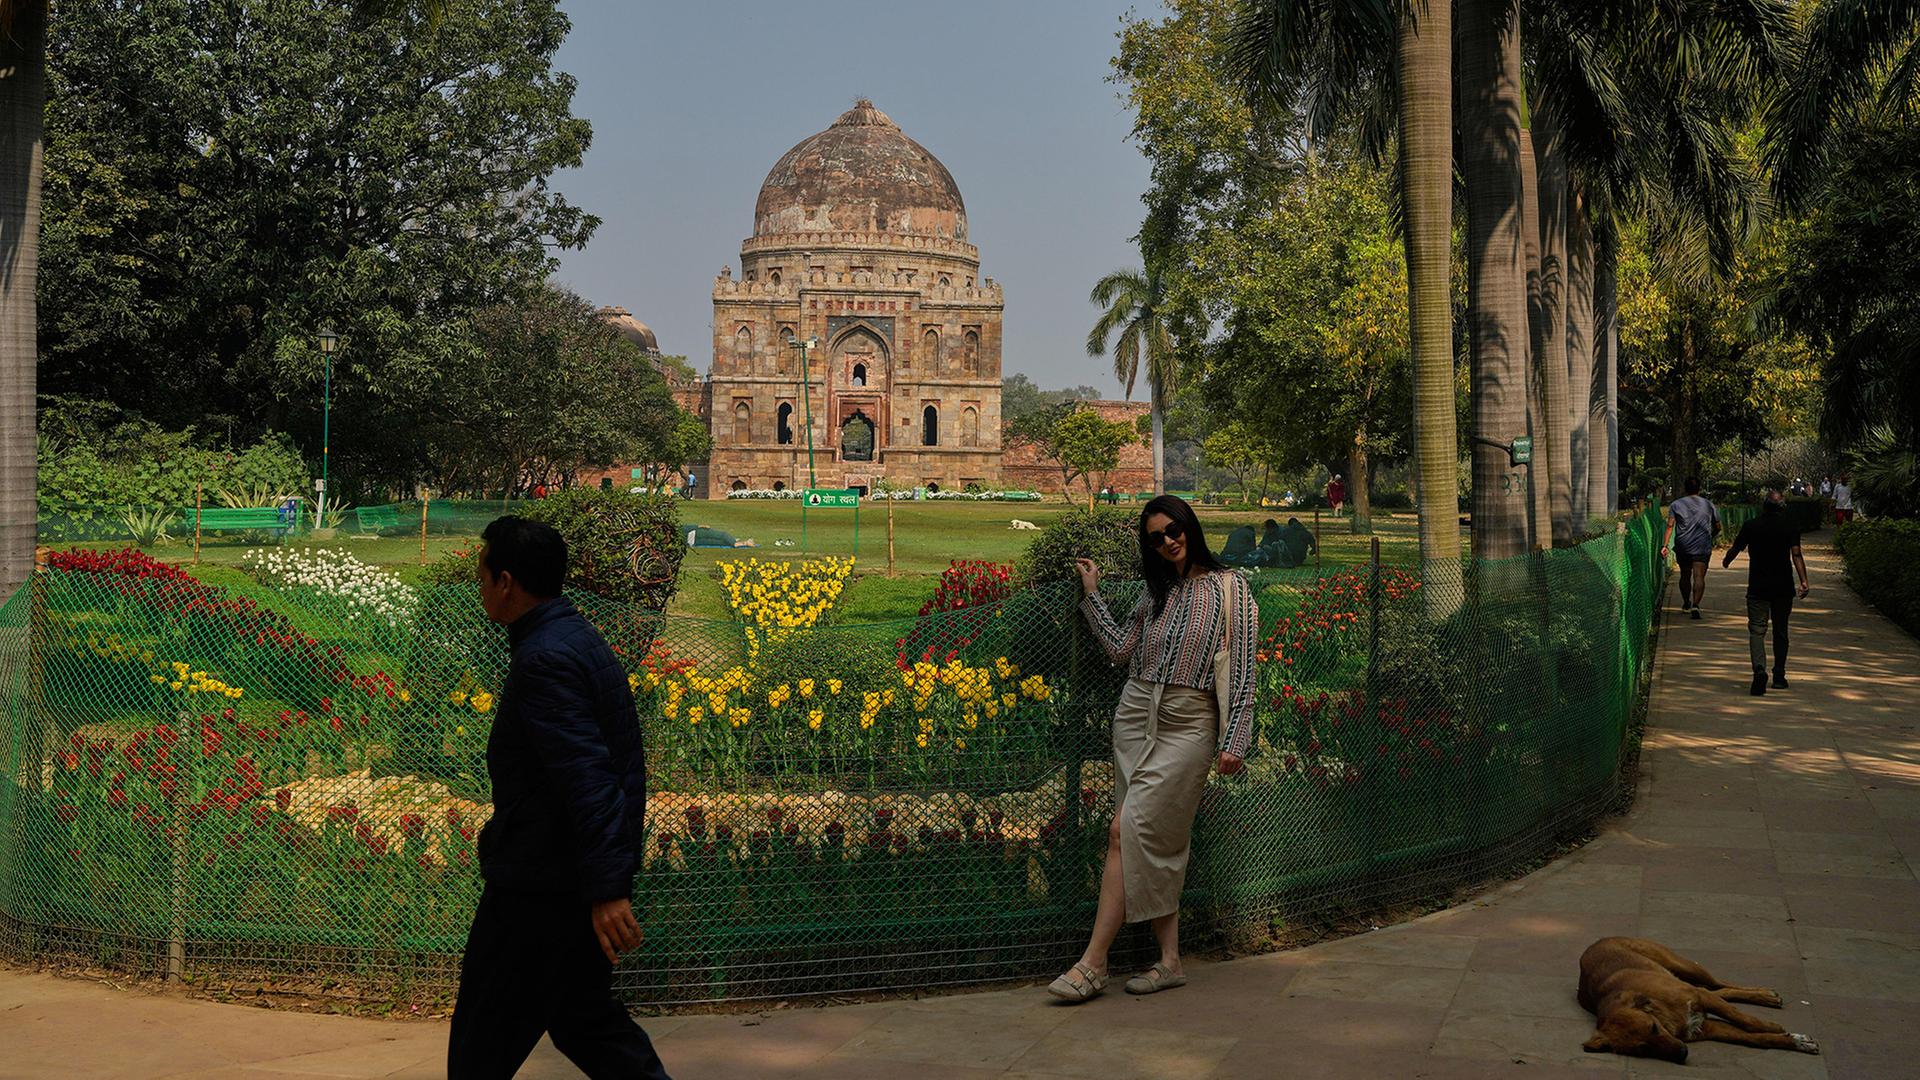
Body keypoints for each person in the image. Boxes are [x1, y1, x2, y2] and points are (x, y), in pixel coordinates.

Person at [448, 517, 671, 1079]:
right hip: (553, 878)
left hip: (541, 887)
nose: (477, 585)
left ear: (505, 582)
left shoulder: (545, 657)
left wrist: (607, 891)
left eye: (481, 574)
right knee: (580, 1022)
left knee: (490, 1037)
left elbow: (589, 779)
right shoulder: (569, 636)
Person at [1052, 495, 1257, 1003]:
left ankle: (1093, 963)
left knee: (1127, 828)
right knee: (1146, 839)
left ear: (1190, 526)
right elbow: (1121, 650)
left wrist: (1235, 740)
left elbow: (1246, 670)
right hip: (1136, 714)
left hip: (1189, 725)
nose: (1167, 541)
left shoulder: (1231, 589)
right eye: (1156, 537)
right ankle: (1169, 961)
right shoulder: (1155, 595)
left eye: (1174, 530)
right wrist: (1092, 593)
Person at [1722, 490, 1810, 696]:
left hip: (1758, 587)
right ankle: (1779, 675)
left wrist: (1727, 561)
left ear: (1763, 506)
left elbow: (1736, 547)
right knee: (1781, 631)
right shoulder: (1790, 526)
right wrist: (1804, 580)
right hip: (1783, 586)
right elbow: (1796, 554)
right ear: (1783, 507)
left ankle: (1759, 670)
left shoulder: (1751, 526)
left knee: (1756, 631)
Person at [1660, 477, 1721, 619]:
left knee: (1685, 575)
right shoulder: (1708, 505)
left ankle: (1686, 603)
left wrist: (1665, 545)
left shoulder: (1676, 505)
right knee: (1699, 576)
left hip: (1683, 545)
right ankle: (1696, 605)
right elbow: (1718, 526)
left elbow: (1670, 526)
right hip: (1702, 546)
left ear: (1685, 489)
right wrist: (1711, 535)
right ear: (1699, 488)